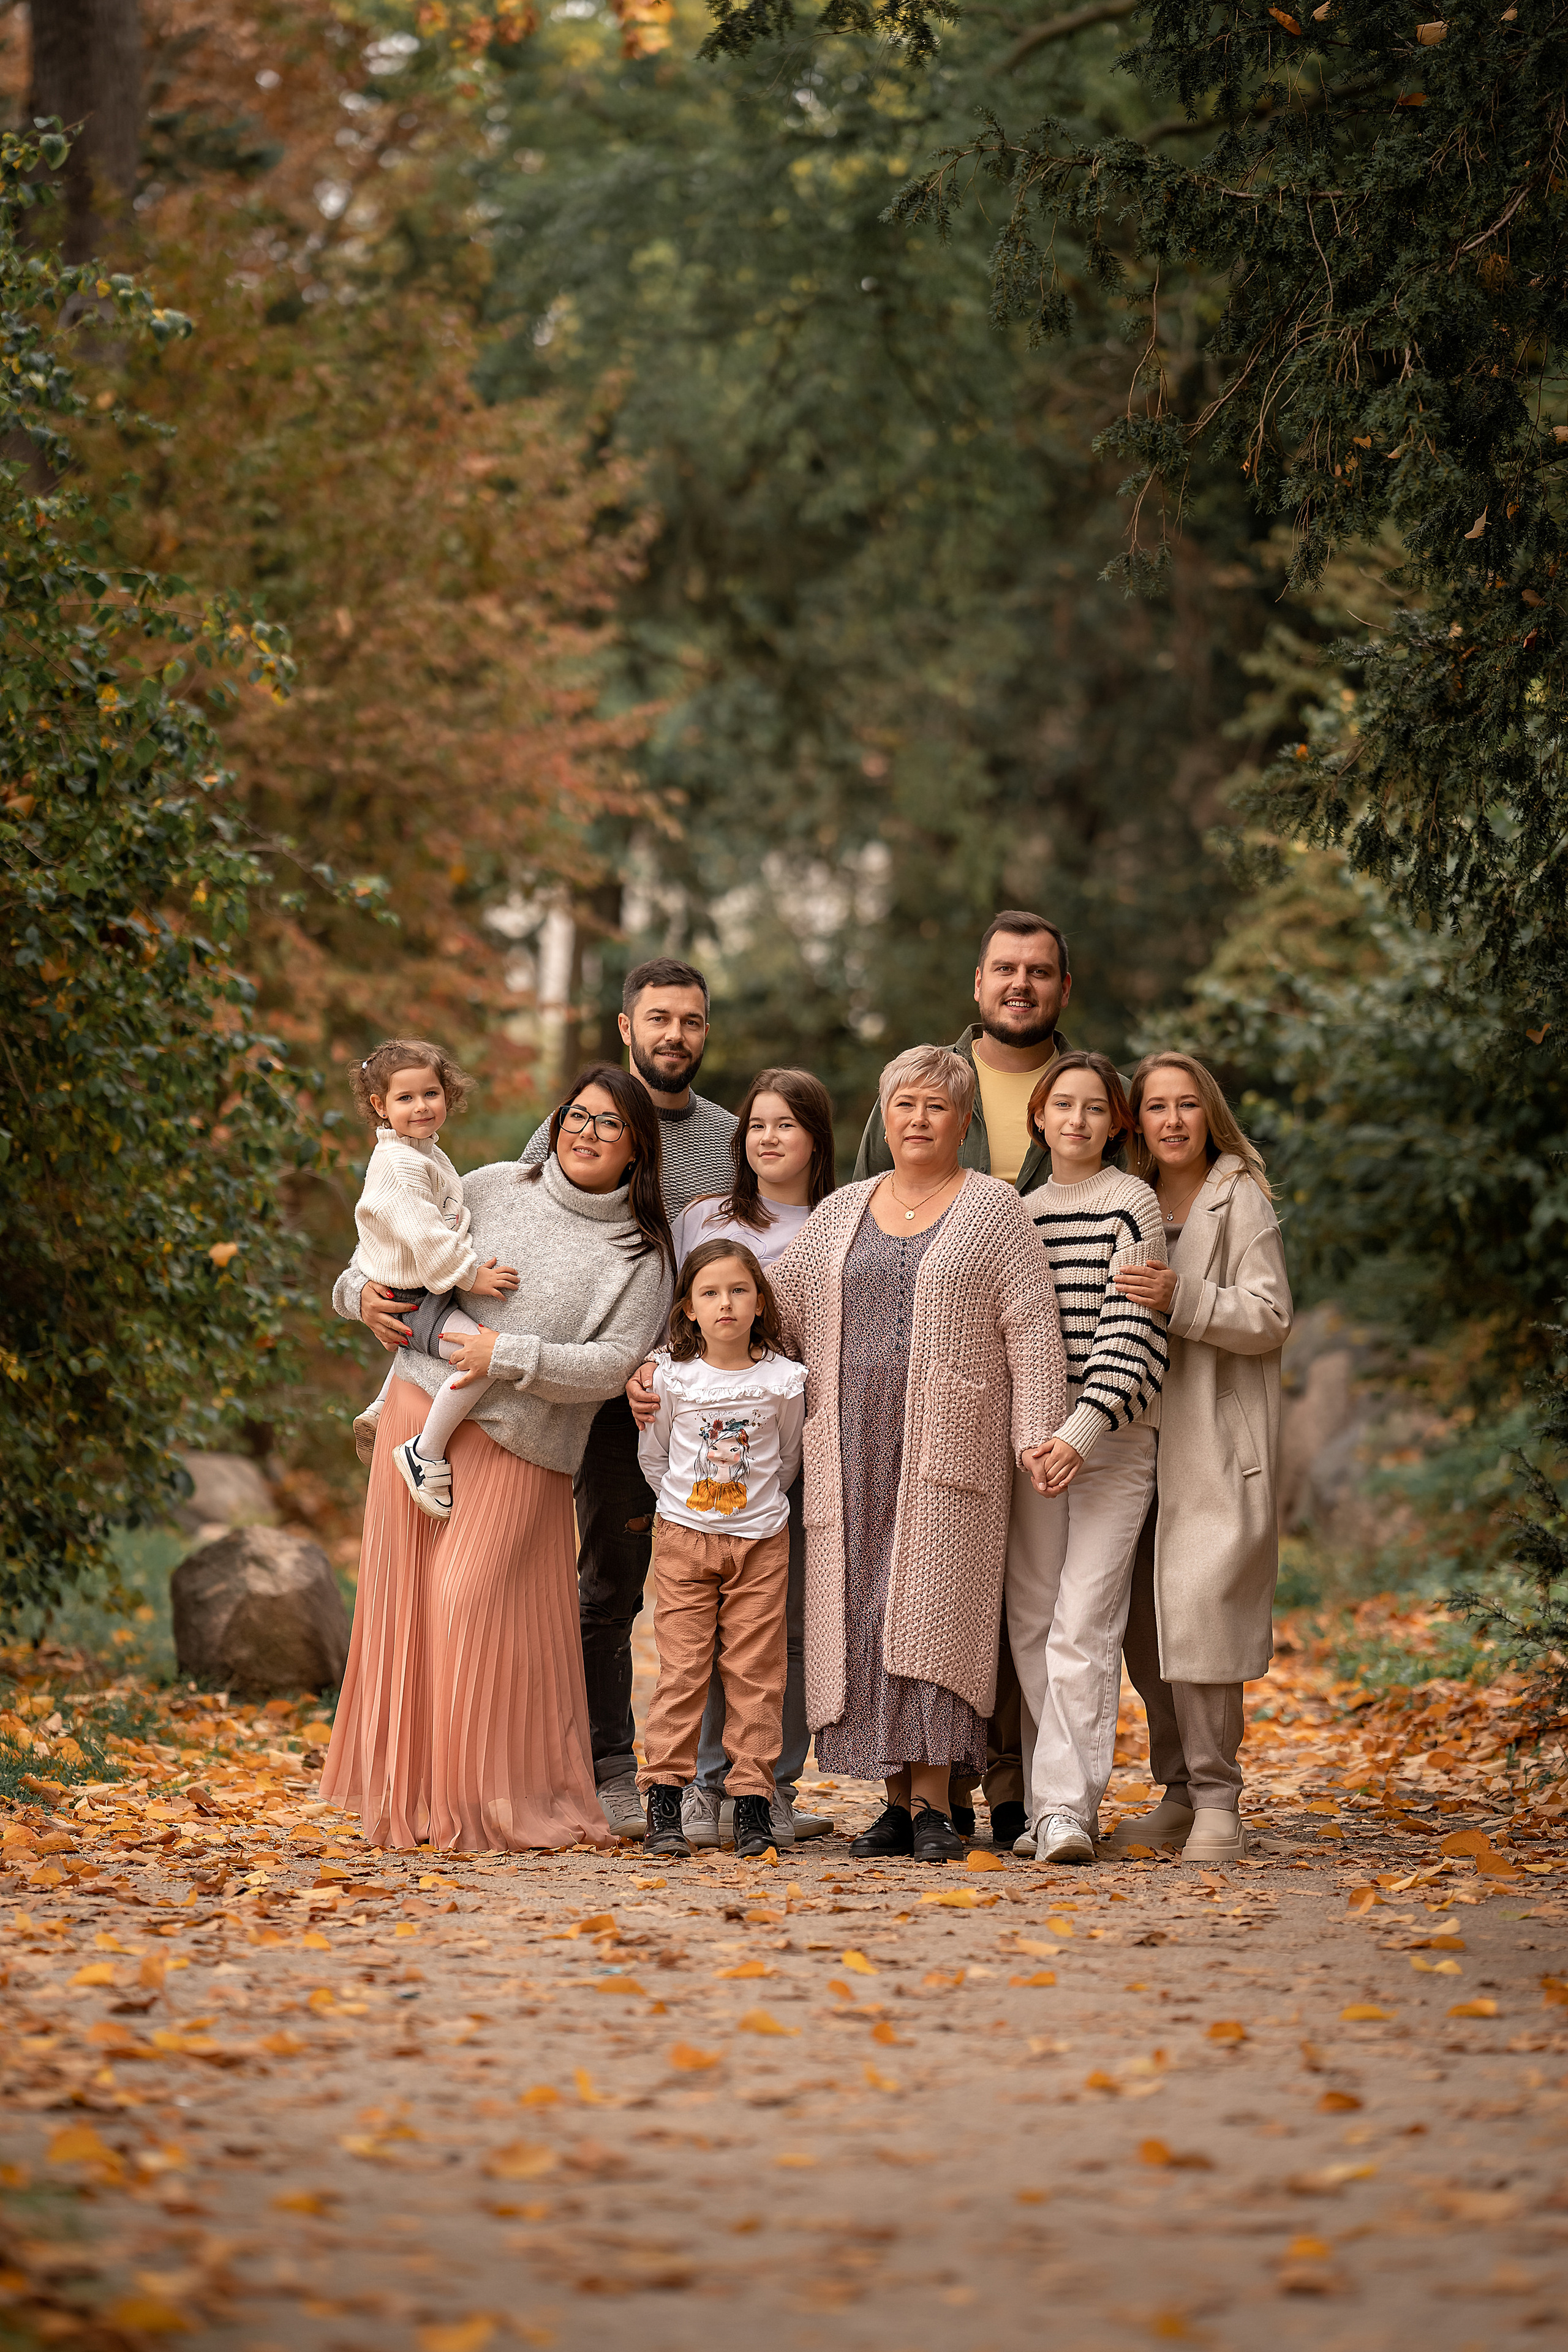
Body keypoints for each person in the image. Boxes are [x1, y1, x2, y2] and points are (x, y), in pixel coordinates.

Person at [322, 1065, 673, 1853]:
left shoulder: (639, 1253)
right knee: (408, 1610)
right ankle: (420, 1807)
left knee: (467, 1605)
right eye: (577, 1116)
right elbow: (384, 1248)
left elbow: (615, 1364)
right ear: (555, 1124)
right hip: (419, 1412)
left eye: (609, 1125)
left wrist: (504, 1352)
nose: (587, 1133)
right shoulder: (487, 1185)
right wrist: (357, 1298)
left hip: (526, 1448)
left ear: (636, 1150)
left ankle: (486, 1804)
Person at [770, 1045, 1068, 1864]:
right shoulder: (841, 1211)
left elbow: (1032, 1330)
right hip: (849, 1442)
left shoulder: (993, 1210)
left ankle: (938, 1802)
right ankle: (894, 1803)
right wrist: (682, 1360)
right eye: (905, 1104)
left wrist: (1040, 1435)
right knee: (864, 1614)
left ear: (964, 1121)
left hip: (950, 1444)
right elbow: (780, 1316)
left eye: (937, 1106)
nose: (919, 1119)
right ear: (885, 1115)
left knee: (937, 1617)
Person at [854, 911, 1076, 1854]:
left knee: (1007, 1608)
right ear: (977, 981)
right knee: (890, 1598)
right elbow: (840, 1255)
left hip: (1012, 1412)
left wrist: (1048, 1424)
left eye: (1038, 971)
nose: (1019, 984)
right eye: (1003, 969)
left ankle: (1012, 1794)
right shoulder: (922, 1079)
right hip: (877, 1416)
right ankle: (911, 1801)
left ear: (1062, 986)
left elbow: (1033, 1314)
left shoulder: (1080, 1089)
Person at [521, 959, 737, 1842]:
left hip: (696, 1397)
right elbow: (520, 1220)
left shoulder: (728, 1139)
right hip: (585, 1388)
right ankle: (602, 1764)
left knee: (706, 1585)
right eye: (658, 1019)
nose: (673, 1035)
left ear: (704, 1033)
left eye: (689, 1021)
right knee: (592, 1584)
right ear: (625, 1027)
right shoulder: (571, 1125)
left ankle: (720, 1779)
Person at [1107, 1054, 1293, 1866]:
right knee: (1147, 1627)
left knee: (1201, 1614)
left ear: (1209, 1114)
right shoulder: (1129, 1198)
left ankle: (1221, 1800)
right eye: (1157, 1107)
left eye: (1188, 1105)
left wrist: (1179, 1297)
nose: (1173, 1121)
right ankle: (1178, 1793)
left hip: (1211, 1440)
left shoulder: (1238, 1194)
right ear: (1136, 1120)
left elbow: (1269, 1316)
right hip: (1129, 1433)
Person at [1005, 1053, 1170, 1864]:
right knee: (1033, 1621)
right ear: (1038, 1117)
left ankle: (1069, 1809)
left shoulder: (1129, 1204)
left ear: (1117, 1122)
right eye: (1062, 1105)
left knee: (1083, 1624)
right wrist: (1038, 1438)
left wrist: (1081, 1432)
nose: (1076, 1120)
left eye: (1094, 1108)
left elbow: (1130, 1330)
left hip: (1109, 1443)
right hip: (1033, 1447)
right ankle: (1048, 1807)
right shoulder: (1018, 1213)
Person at [670, 1068, 837, 1850]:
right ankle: (704, 1789)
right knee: (703, 1632)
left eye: (786, 1125)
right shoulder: (705, 1216)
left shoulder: (841, 1218)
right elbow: (665, 1316)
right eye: (756, 1125)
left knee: (783, 1635)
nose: (768, 1138)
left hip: (802, 1441)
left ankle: (769, 1788)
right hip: (705, 1461)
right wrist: (648, 1377)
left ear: (815, 1139)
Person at [636, 1240, 807, 1861]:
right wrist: (688, 1511)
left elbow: (786, 1457)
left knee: (756, 1675)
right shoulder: (673, 1377)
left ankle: (753, 1804)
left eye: (738, 1290)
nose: (725, 1304)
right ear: (688, 1308)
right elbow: (655, 1456)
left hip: (760, 1541)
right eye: (709, 1293)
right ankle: (664, 1798)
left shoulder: (784, 1381)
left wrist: (748, 1511)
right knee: (683, 1671)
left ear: (759, 1302)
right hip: (683, 1538)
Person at [347, 1040, 521, 1520]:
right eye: (405, 1099)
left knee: (457, 1348)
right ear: (379, 1106)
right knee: (482, 1354)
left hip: (416, 1288)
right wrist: (472, 1274)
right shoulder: (401, 1165)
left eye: (430, 1093)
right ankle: (425, 1451)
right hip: (411, 1296)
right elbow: (424, 1235)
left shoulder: (421, 1151)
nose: (421, 1107)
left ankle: (382, 1408)